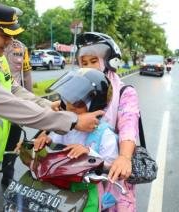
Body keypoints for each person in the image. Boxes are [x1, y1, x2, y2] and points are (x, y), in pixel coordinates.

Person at [0, 2, 103, 212]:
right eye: (5, 36)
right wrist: (74, 121)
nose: (10, 42)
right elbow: (11, 106)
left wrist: (47, 105)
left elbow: (14, 89)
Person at [34, 69, 128, 211]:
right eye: (68, 99)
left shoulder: (104, 134)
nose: (71, 106)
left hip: (87, 194)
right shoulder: (66, 125)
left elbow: (112, 166)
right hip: (59, 188)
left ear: (95, 104)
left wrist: (89, 154)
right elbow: (55, 147)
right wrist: (45, 142)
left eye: (78, 102)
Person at [76, 32, 139, 211]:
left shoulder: (124, 92)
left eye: (94, 61)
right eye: (84, 63)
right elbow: (64, 115)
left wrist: (124, 157)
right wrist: (44, 134)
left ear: (110, 62)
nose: (89, 68)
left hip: (110, 170)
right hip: (79, 168)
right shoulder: (79, 88)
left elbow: (128, 126)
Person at [0, 36, 33, 198]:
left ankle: (8, 176)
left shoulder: (21, 47)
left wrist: (30, 100)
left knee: (13, 144)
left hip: (16, 102)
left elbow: (26, 74)